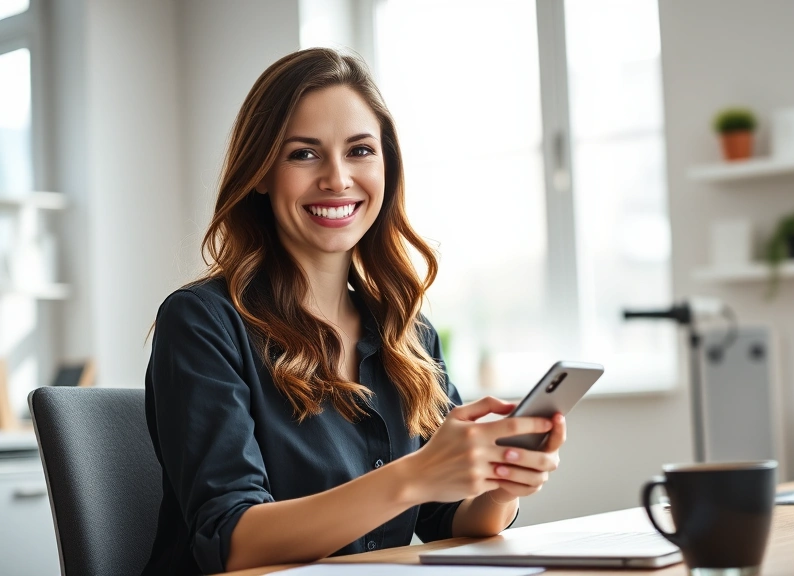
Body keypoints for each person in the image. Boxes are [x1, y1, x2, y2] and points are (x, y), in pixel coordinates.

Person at [142, 48, 565, 575]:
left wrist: (499, 487)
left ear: (386, 166)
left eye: (360, 150)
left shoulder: (407, 334)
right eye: (303, 154)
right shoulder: (203, 322)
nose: (338, 178)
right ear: (261, 173)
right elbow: (229, 541)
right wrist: (417, 474)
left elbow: (447, 520)